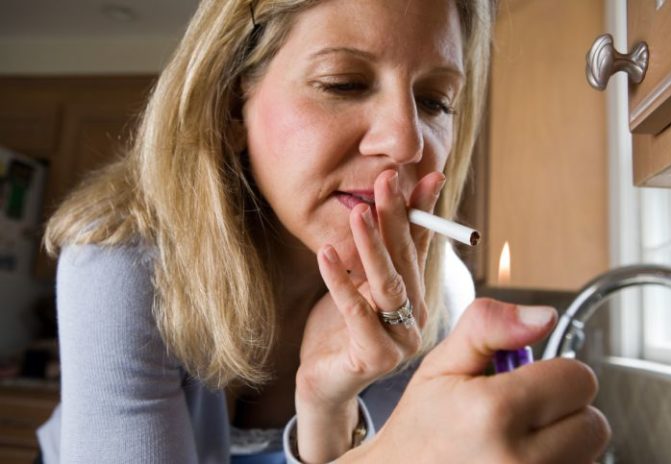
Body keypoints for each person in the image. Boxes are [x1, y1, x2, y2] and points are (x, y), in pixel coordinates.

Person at [36, 0, 610, 462]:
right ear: (232, 105)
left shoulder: (434, 297)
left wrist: (325, 409)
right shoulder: (120, 259)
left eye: (434, 100)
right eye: (343, 83)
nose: (406, 142)